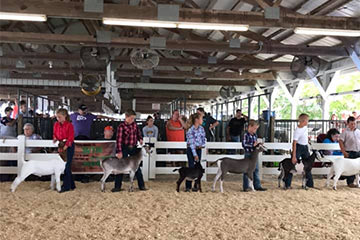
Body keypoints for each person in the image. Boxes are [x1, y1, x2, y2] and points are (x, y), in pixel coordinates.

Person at [112, 109, 146, 192]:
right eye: (131, 118)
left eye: (133, 118)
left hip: (133, 147)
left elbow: (138, 133)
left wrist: (140, 139)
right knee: (120, 166)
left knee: (136, 166)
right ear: (126, 117)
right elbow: (119, 140)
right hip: (124, 148)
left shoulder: (135, 125)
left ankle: (141, 186)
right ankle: (117, 187)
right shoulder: (121, 126)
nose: (132, 120)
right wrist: (119, 151)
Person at [286, 113, 312, 189]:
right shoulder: (297, 131)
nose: (308, 122)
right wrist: (294, 156)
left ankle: (309, 184)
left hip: (305, 146)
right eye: (307, 120)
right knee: (292, 165)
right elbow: (294, 143)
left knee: (308, 165)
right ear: (304, 121)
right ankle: (288, 184)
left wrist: (307, 140)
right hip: (298, 147)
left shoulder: (305, 127)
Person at [53, 108, 75, 193]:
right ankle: (71, 184)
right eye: (57, 117)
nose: (58, 119)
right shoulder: (56, 124)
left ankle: (66, 186)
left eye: (59, 117)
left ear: (65, 116)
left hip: (68, 145)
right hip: (60, 144)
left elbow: (71, 137)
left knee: (66, 166)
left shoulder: (69, 125)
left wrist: (66, 145)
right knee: (65, 165)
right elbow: (54, 133)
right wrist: (55, 138)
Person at [242, 120, 267, 192]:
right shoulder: (245, 135)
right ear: (250, 127)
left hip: (254, 155)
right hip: (248, 154)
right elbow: (244, 144)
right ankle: (246, 186)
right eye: (255, 128)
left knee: (256, 169)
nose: (256, 130)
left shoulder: (254, 135)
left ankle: (257, 186)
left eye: (256, 129)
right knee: (246, 170)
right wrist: (253, 145)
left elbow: (255, 145)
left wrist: (258, 145)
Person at [185, 113, 206, 192]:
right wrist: (195, 154)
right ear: (197, 120)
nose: (202, 120)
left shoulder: (201, 129)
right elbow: (191, 143)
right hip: (191, 149)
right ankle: (188, 186)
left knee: (197, 168)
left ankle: (196, 185)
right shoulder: (190, 130)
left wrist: (202, 145)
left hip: (198, 149)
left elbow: (204, 139)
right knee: (191, 167)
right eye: (201, 118)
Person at [339, 116, 360, 188]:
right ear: (348, 124)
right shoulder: (345, 132)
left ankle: (358, 182)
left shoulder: (358, 131)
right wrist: (343, 151)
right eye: (351, 124)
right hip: (350, 152)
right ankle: (350, 182)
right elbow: (340, 141)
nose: (353, 125)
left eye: (354, 123)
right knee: (351, 168)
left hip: (358, 151)